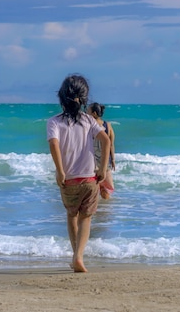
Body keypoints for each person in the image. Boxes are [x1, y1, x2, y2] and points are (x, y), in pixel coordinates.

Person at [47, 74, 110, 273]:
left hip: (69, 180)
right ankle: (78, 257)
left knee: (71, 215)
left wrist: (60, 171)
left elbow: (54, 145)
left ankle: (76, 256)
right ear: (84, 99)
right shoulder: (89, 121)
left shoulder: (54, 122)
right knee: (86, 218)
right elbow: (106, 141)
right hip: (90, 179)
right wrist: (102, 169)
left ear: (61, 97)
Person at [87, 102, 116, 199]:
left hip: (91, 162)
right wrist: (113, 160)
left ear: (94, 113)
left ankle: (98, 210)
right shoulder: (108, 125)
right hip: (105, 162)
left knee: (93, 188)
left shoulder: (89, 126)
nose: (86, 113)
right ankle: (105, 210)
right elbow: (111, 144)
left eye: (88, 111)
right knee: (105, 188)